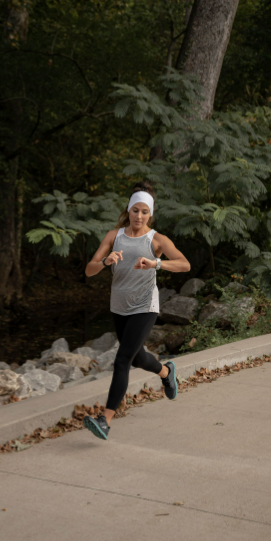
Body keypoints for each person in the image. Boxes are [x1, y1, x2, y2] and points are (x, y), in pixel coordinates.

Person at [82, 181, 191, 440]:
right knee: (138, 358)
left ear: (150, 214)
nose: (139, 216)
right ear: (128, 210)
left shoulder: (157, 240)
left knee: (122, 360)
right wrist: (105, 262)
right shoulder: (113, 236)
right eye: (135, 211)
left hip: (145, 306)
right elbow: (89, 269)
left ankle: (105, 420)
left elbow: (185, 265)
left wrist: (156, 264)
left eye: (144, 212)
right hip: (119, 307)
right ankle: (166, 372)